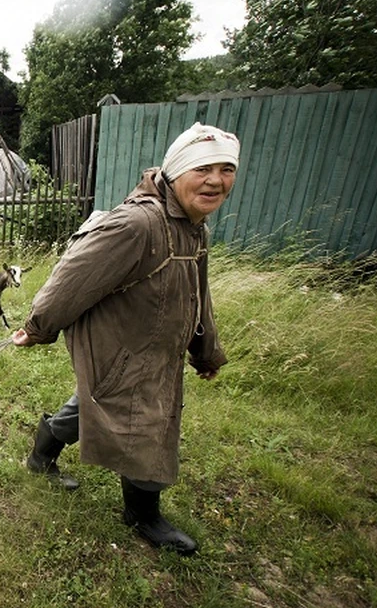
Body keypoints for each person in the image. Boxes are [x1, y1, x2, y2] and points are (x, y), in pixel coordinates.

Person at [12, 122, 240, 556]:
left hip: (154, 350)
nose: (215, 180)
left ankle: (42, 454)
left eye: (226, 168)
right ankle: (143, 515)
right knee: (147, 424)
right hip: (125, 349)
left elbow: (198, 294)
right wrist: (40, 326)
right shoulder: (138, 224)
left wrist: (205, 349)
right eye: (203, 168)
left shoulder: (193, 228)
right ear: (176, 170)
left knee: (96, 403)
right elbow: (72, 279)